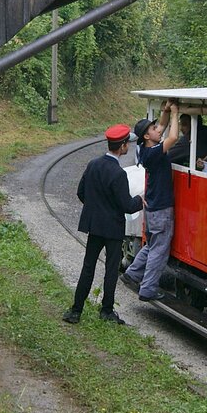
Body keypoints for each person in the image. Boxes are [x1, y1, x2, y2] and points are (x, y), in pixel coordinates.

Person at [63, 124, 145, 325]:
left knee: (88, 267)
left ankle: (76, 310)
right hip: (113, 228)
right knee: (110, 269)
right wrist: (140, 200)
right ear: (123, 146)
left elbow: (81, 192)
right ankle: (106, 310)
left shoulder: (93, 164)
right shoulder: (118, 174)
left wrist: (95, 209)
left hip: (94, 225)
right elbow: (126, 204)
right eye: (127, 144)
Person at [122, 100, 178, 303]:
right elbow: (172, 136)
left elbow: (162, 128)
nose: (158, 129)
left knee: (152, 243)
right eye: (154, 129)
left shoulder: (146, 150)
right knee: (160, 249)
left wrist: (164, 111)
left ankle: (133, 273)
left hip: (154, 206)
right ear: (147, 136)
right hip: (162, 207)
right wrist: (175, 113)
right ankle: (148, 288)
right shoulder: (155, 152)